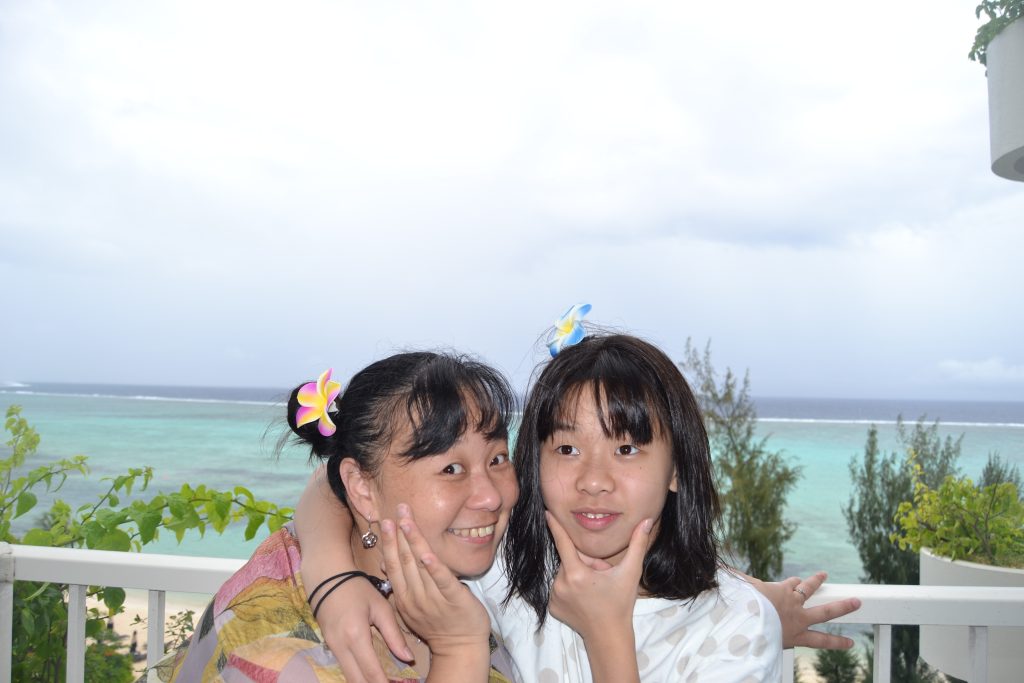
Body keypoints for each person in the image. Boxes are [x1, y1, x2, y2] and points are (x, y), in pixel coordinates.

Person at [295, 331, 861, 682]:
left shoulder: (735, 629)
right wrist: (333, 576)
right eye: (566, 449)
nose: (593, 481)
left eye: (627, 449)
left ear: (677, 469)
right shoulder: (511, 568)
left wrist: (607, 631)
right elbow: (341, 475)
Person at [153, 353, 522, 682]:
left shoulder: (472, 573)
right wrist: (459, 648)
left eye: (497, 459)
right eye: (451, 469)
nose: (491, 496)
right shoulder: (281, 659)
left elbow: (327, 481)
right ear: (361, 489)